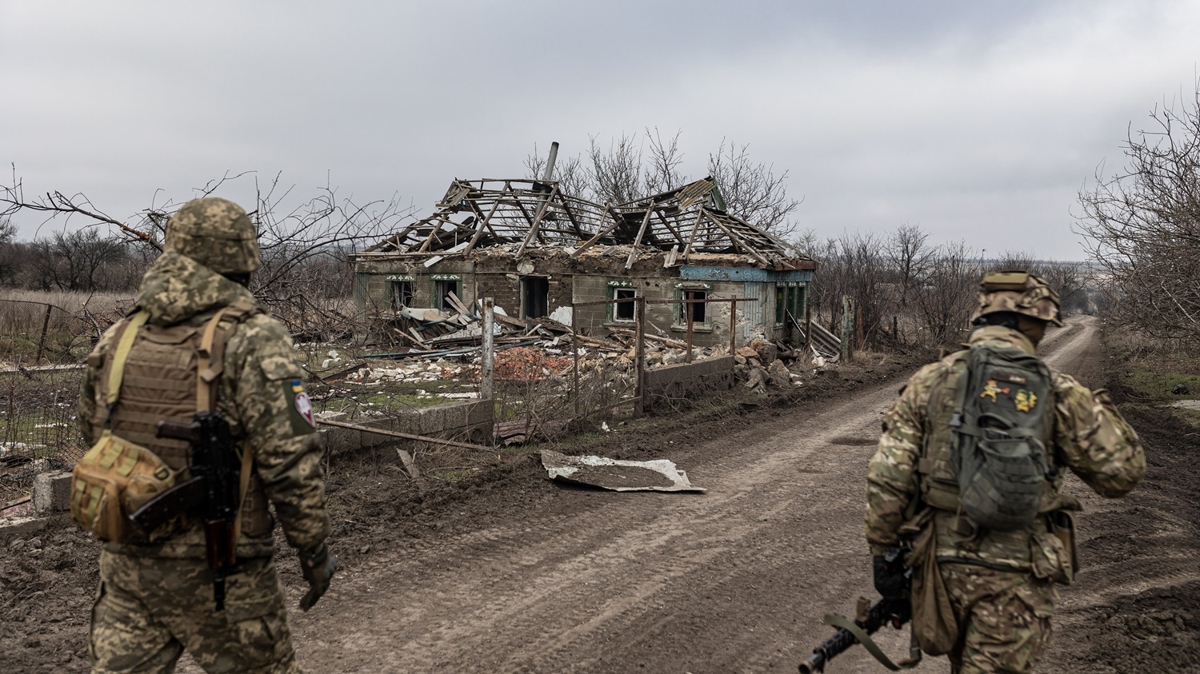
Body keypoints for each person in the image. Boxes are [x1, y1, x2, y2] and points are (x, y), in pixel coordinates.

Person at [78, 197, 336, 673]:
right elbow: (291, 462)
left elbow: (95, 435)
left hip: (129, 563)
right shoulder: (254, 338)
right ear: (242, 258)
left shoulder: (119, 336)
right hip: (223, 572)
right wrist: (313, 547)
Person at [865, 271, 1145, 673]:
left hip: (940, 568)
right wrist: (1103, 412)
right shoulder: (1057, 389)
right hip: (1017, 576)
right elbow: (1122, 474)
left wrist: (883, 556)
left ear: (982, 320)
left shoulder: (929, 381)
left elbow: (887, 477)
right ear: (1034, 326)